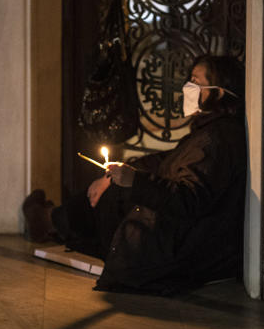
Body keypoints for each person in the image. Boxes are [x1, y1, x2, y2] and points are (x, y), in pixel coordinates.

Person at [23, 54, 246, 295]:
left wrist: (133, 181)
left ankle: (48, 219)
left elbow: (188, 199)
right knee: (109, 191)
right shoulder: (210, 130)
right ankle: (51, 220)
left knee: (114, 198)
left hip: (174, 251)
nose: (187, 88)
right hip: (174, 239)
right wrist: (121, 171)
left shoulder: (216, 140)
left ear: (219, 92)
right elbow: (168, 160)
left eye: (195, 81)